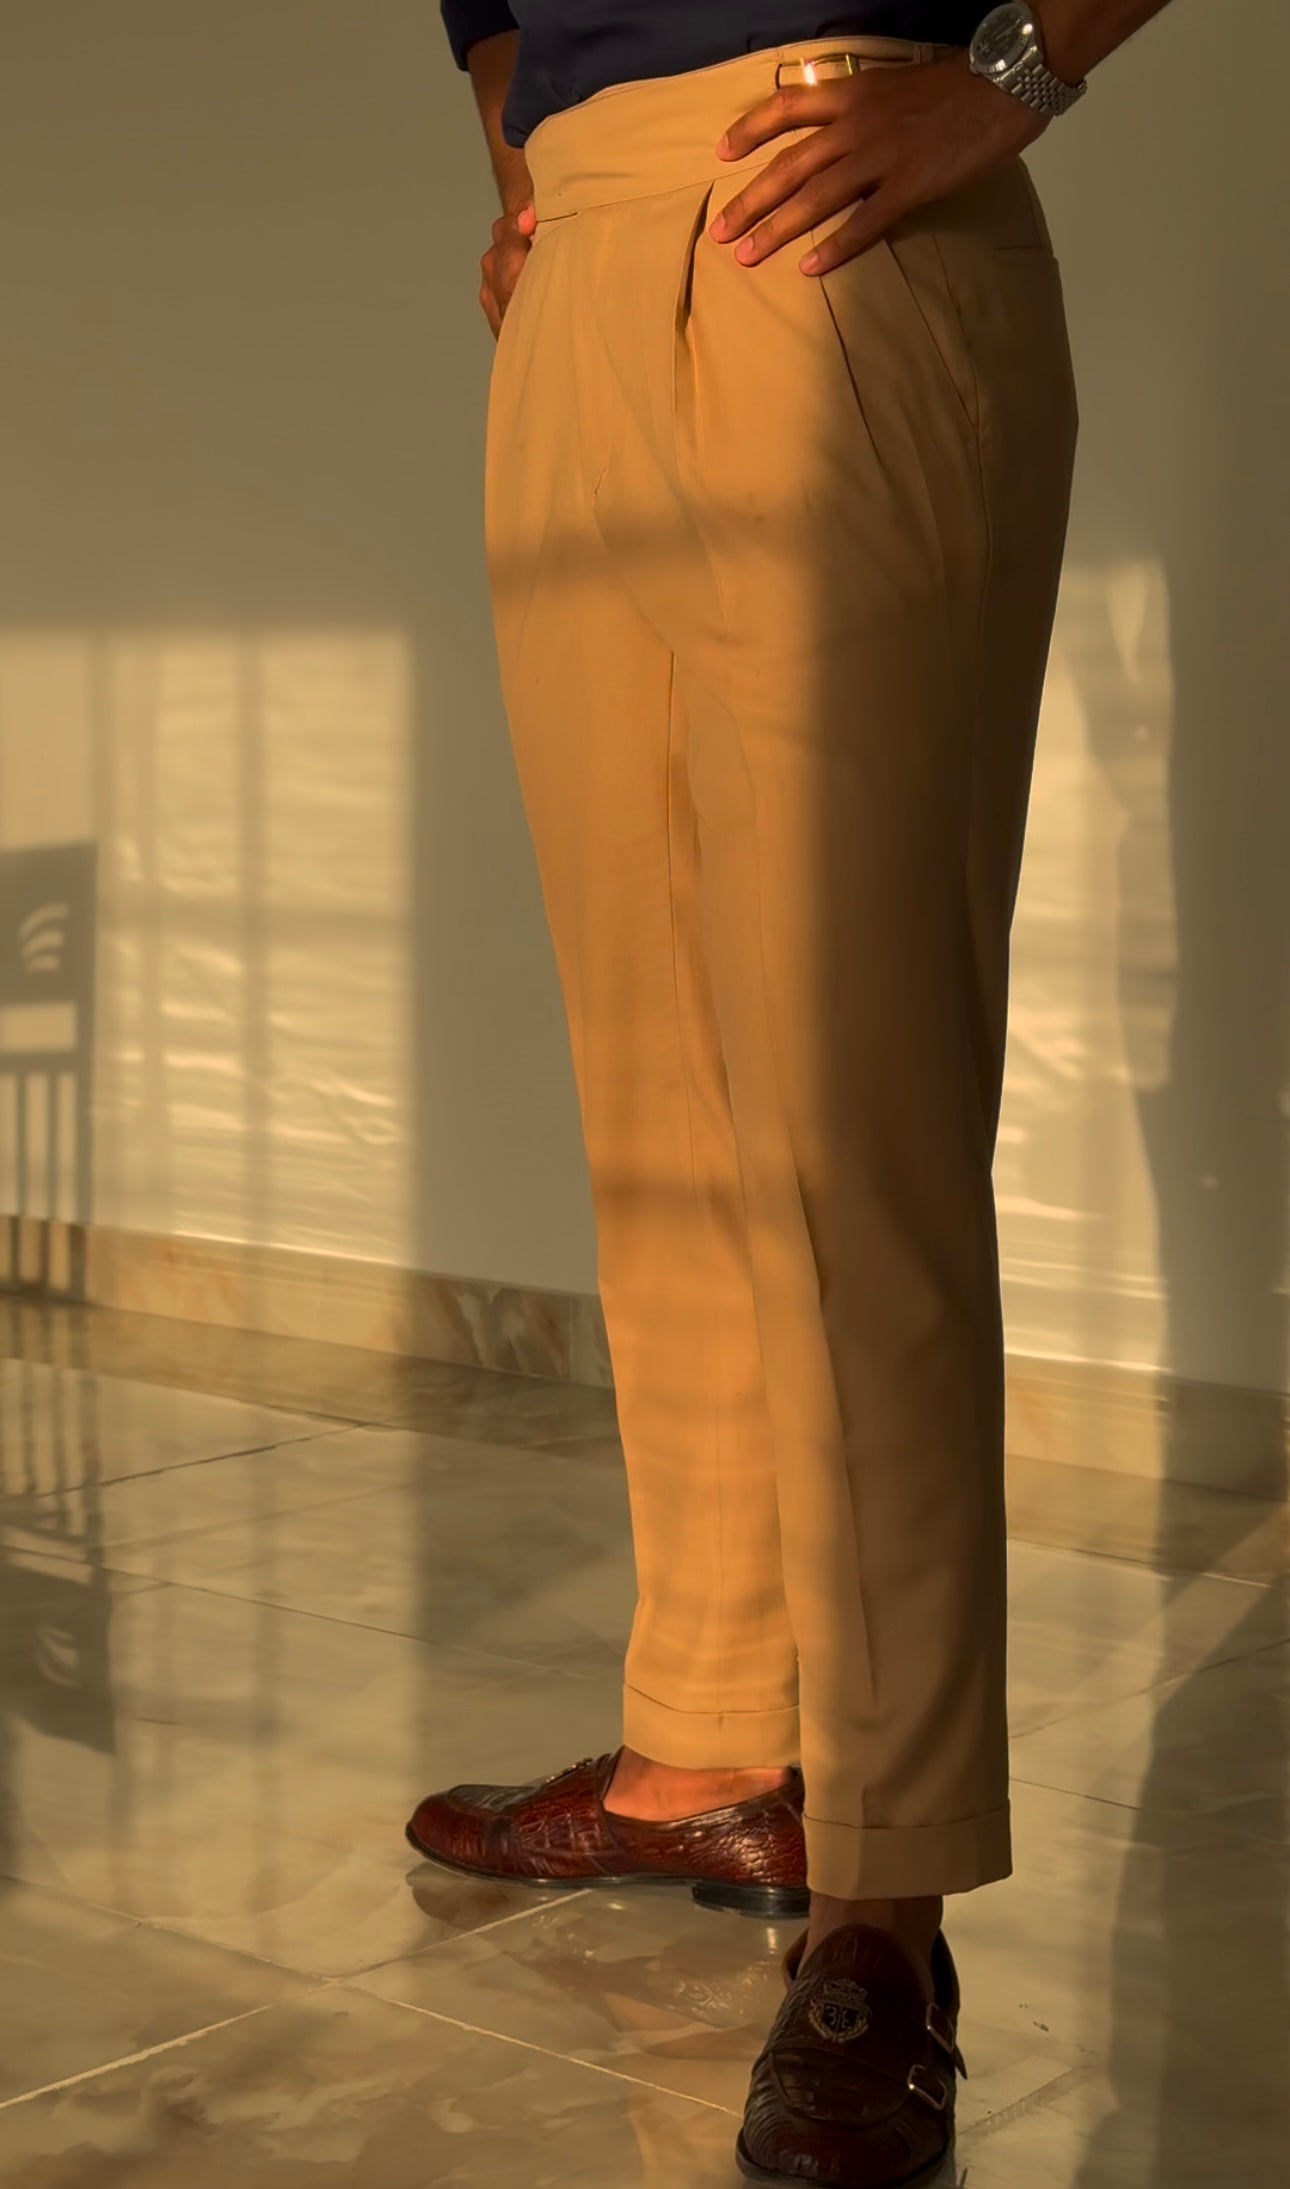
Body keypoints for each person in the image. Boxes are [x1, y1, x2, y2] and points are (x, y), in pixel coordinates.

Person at [409, 5, 1174, 2181]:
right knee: (650, 1071)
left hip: (837, 218)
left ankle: (885, 1894)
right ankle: (709, 1745)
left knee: (856, 1102)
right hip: (579, 264)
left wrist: (1013, 69)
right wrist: (530, 166)